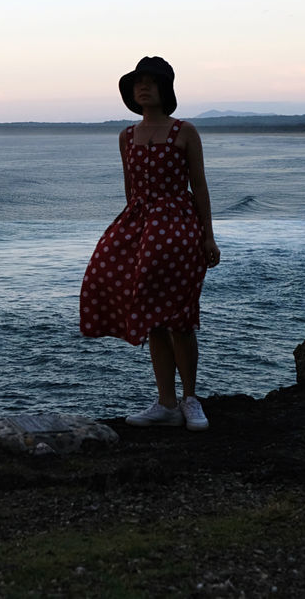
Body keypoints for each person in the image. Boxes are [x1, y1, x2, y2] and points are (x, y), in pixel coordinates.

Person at [78, 56, 221, 431]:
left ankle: (190, 399)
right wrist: (130, 234)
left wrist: (208, 235)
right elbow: (131, 190)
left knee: (181, 317)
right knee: (151, 316)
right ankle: (166, 402)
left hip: (179, 227)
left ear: (165, 88)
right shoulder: (127, 135)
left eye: (150, 82)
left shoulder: (184, 131)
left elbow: (200, 186)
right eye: (137, 83)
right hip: (142, 226)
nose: (143, 88)